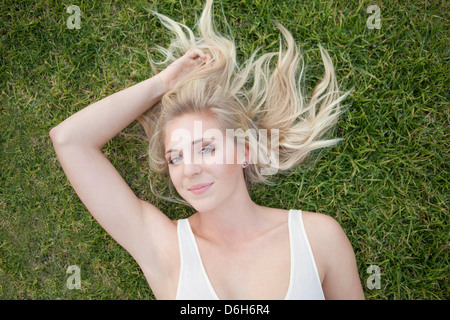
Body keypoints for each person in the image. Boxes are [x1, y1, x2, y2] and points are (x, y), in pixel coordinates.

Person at [50, 0, 364, 299]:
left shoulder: (317, 238)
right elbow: (70, 140)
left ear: (244, 152)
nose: (190, 169)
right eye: (176, 157)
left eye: (206, 149)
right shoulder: (166, 249)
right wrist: (163, 83)